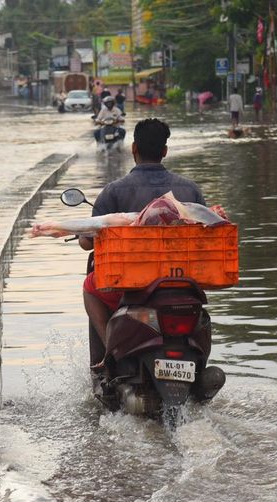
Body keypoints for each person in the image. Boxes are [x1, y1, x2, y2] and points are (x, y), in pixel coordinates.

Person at [79, 118, 206, 365]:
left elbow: (87, 243)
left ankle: (111, 352)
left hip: (129, 284)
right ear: (165, 151)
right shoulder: (190, 191)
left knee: (89, 288)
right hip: (181, 281)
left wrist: (86, 235)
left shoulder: (114, 191)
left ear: (134, 149)